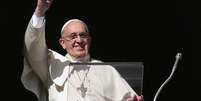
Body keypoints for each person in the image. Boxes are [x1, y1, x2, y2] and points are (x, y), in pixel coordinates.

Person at [21, 0, 144, 101]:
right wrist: (40, 12)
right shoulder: (52, 63)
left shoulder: (106, 69)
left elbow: (128, 98)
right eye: (73, 36)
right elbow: (32, 49)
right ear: (62, 43)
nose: (79, 40)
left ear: (89, 40)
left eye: (83, 35)